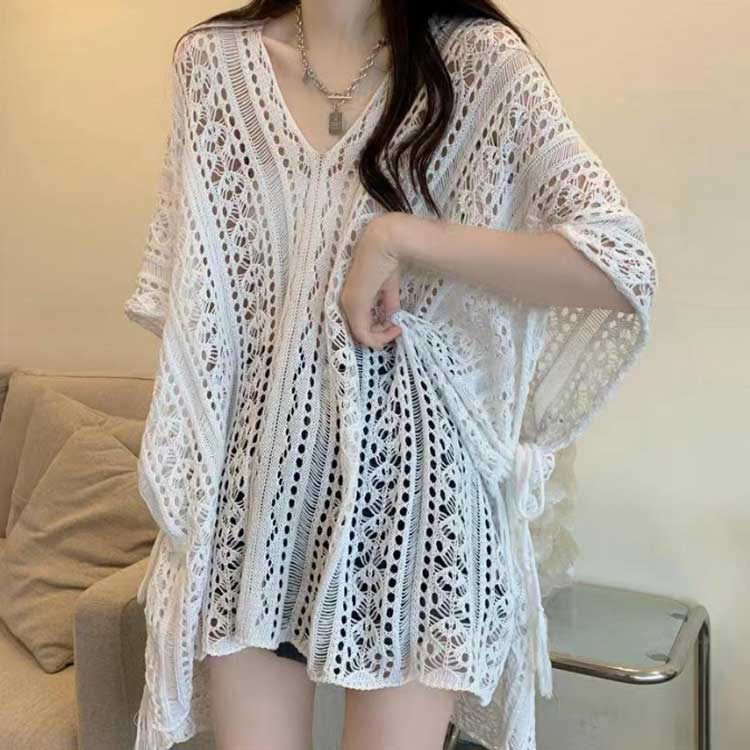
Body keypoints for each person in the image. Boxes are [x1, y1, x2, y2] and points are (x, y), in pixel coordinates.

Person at [123, 1, 658, 749]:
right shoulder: (212, 66)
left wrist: (401, 236)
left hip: (417, 512)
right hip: (253, 504)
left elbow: (618, 264)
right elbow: (204, 315)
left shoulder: (479, 63)